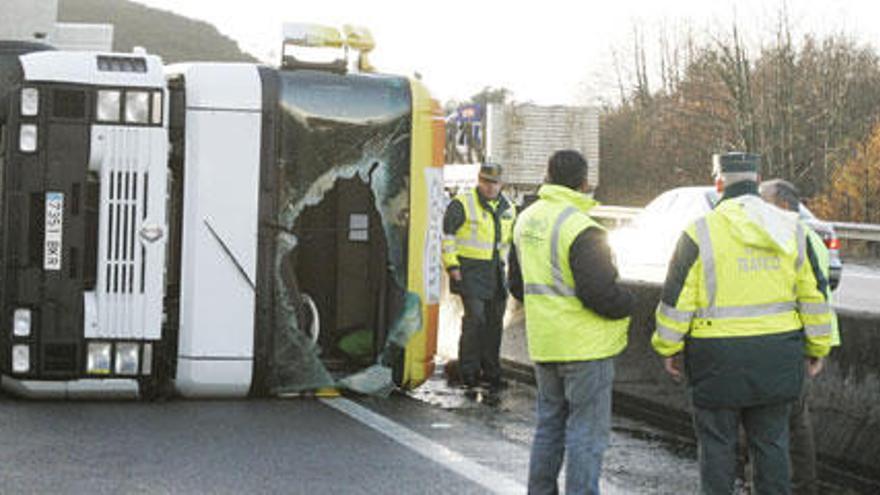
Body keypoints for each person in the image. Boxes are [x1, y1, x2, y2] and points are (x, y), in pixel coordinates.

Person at [652, 152, 833, 495]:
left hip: (714, 360)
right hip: (778, 357)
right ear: (757, 179)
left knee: (717, 448)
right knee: (772, 446)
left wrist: (669, 347)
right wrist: (817, 348)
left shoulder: (698, 233)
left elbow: (676, 301)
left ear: (719, 183)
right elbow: (815, 298)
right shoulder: (792, 230)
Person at [508, 149, 635, 494]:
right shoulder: (582, 227)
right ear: (584, 182)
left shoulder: (526, 220)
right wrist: (629, 303)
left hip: (544, 344)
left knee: (548, 426)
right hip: (585, 347)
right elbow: (601, 294)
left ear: (547, 175)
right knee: (586, 435)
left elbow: (516, 286)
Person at [759, 178, 841, 495]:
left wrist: (814, 348)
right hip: (804, 341)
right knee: (794, 422)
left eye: (763, 201)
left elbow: (813, 298)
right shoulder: (804, 237)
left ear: (781, 205)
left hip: (797, 343)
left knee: (784, 425)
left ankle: (793, 487)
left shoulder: (796, 238)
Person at [441, 162, 516, 392]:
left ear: (501, 184)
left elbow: (510, 244)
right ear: (479, 180)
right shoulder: (462, 204)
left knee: (494, 323)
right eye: (485, 182)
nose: (489, 187)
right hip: (469, 271)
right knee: (475, 320)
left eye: (494, 183)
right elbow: (447, 237)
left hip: (495, 273)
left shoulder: (508, 208)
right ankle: (468, 371)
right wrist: (452, 266)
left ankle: (491, 372)